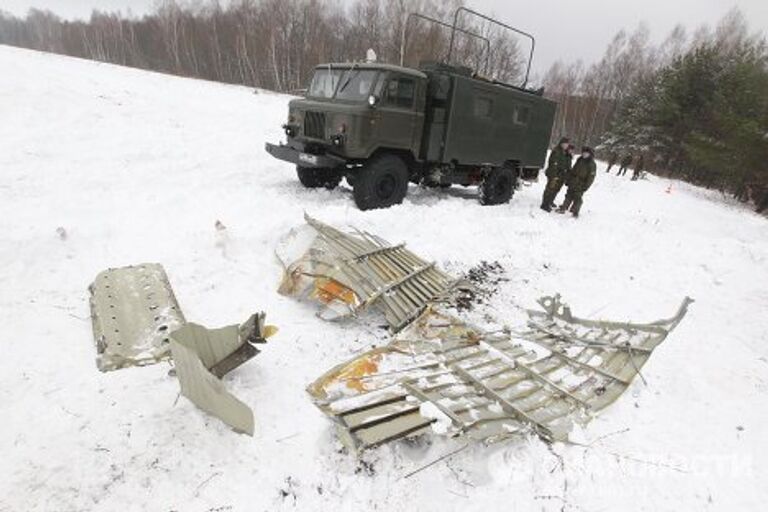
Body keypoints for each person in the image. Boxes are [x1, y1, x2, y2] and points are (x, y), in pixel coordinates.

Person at [558, 146, 597, 217]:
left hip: (581, 183)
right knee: (568, 195)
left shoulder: (592, 164)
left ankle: (575, 212)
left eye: (586, 153)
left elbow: (591, 177)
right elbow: (573, 170)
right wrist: (568, 179)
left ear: (590, 154)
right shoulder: (580, 159)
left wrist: (586, 186)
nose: (584, 154)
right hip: (573, 181)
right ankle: (564, 208)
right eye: (583, 153)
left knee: (577, 198)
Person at [541, 137, 572, 212]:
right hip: (554, 174)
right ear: (561, 143)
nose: (565, 145)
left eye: (567, 144)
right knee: (550, 189)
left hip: (562, 175)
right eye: (564, 144)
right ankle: (545, 204)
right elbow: (553, 164)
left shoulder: (567, 153)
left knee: (556, 189)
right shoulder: (556, 151)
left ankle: (550, 201)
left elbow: (568, 165)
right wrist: (554, 176)